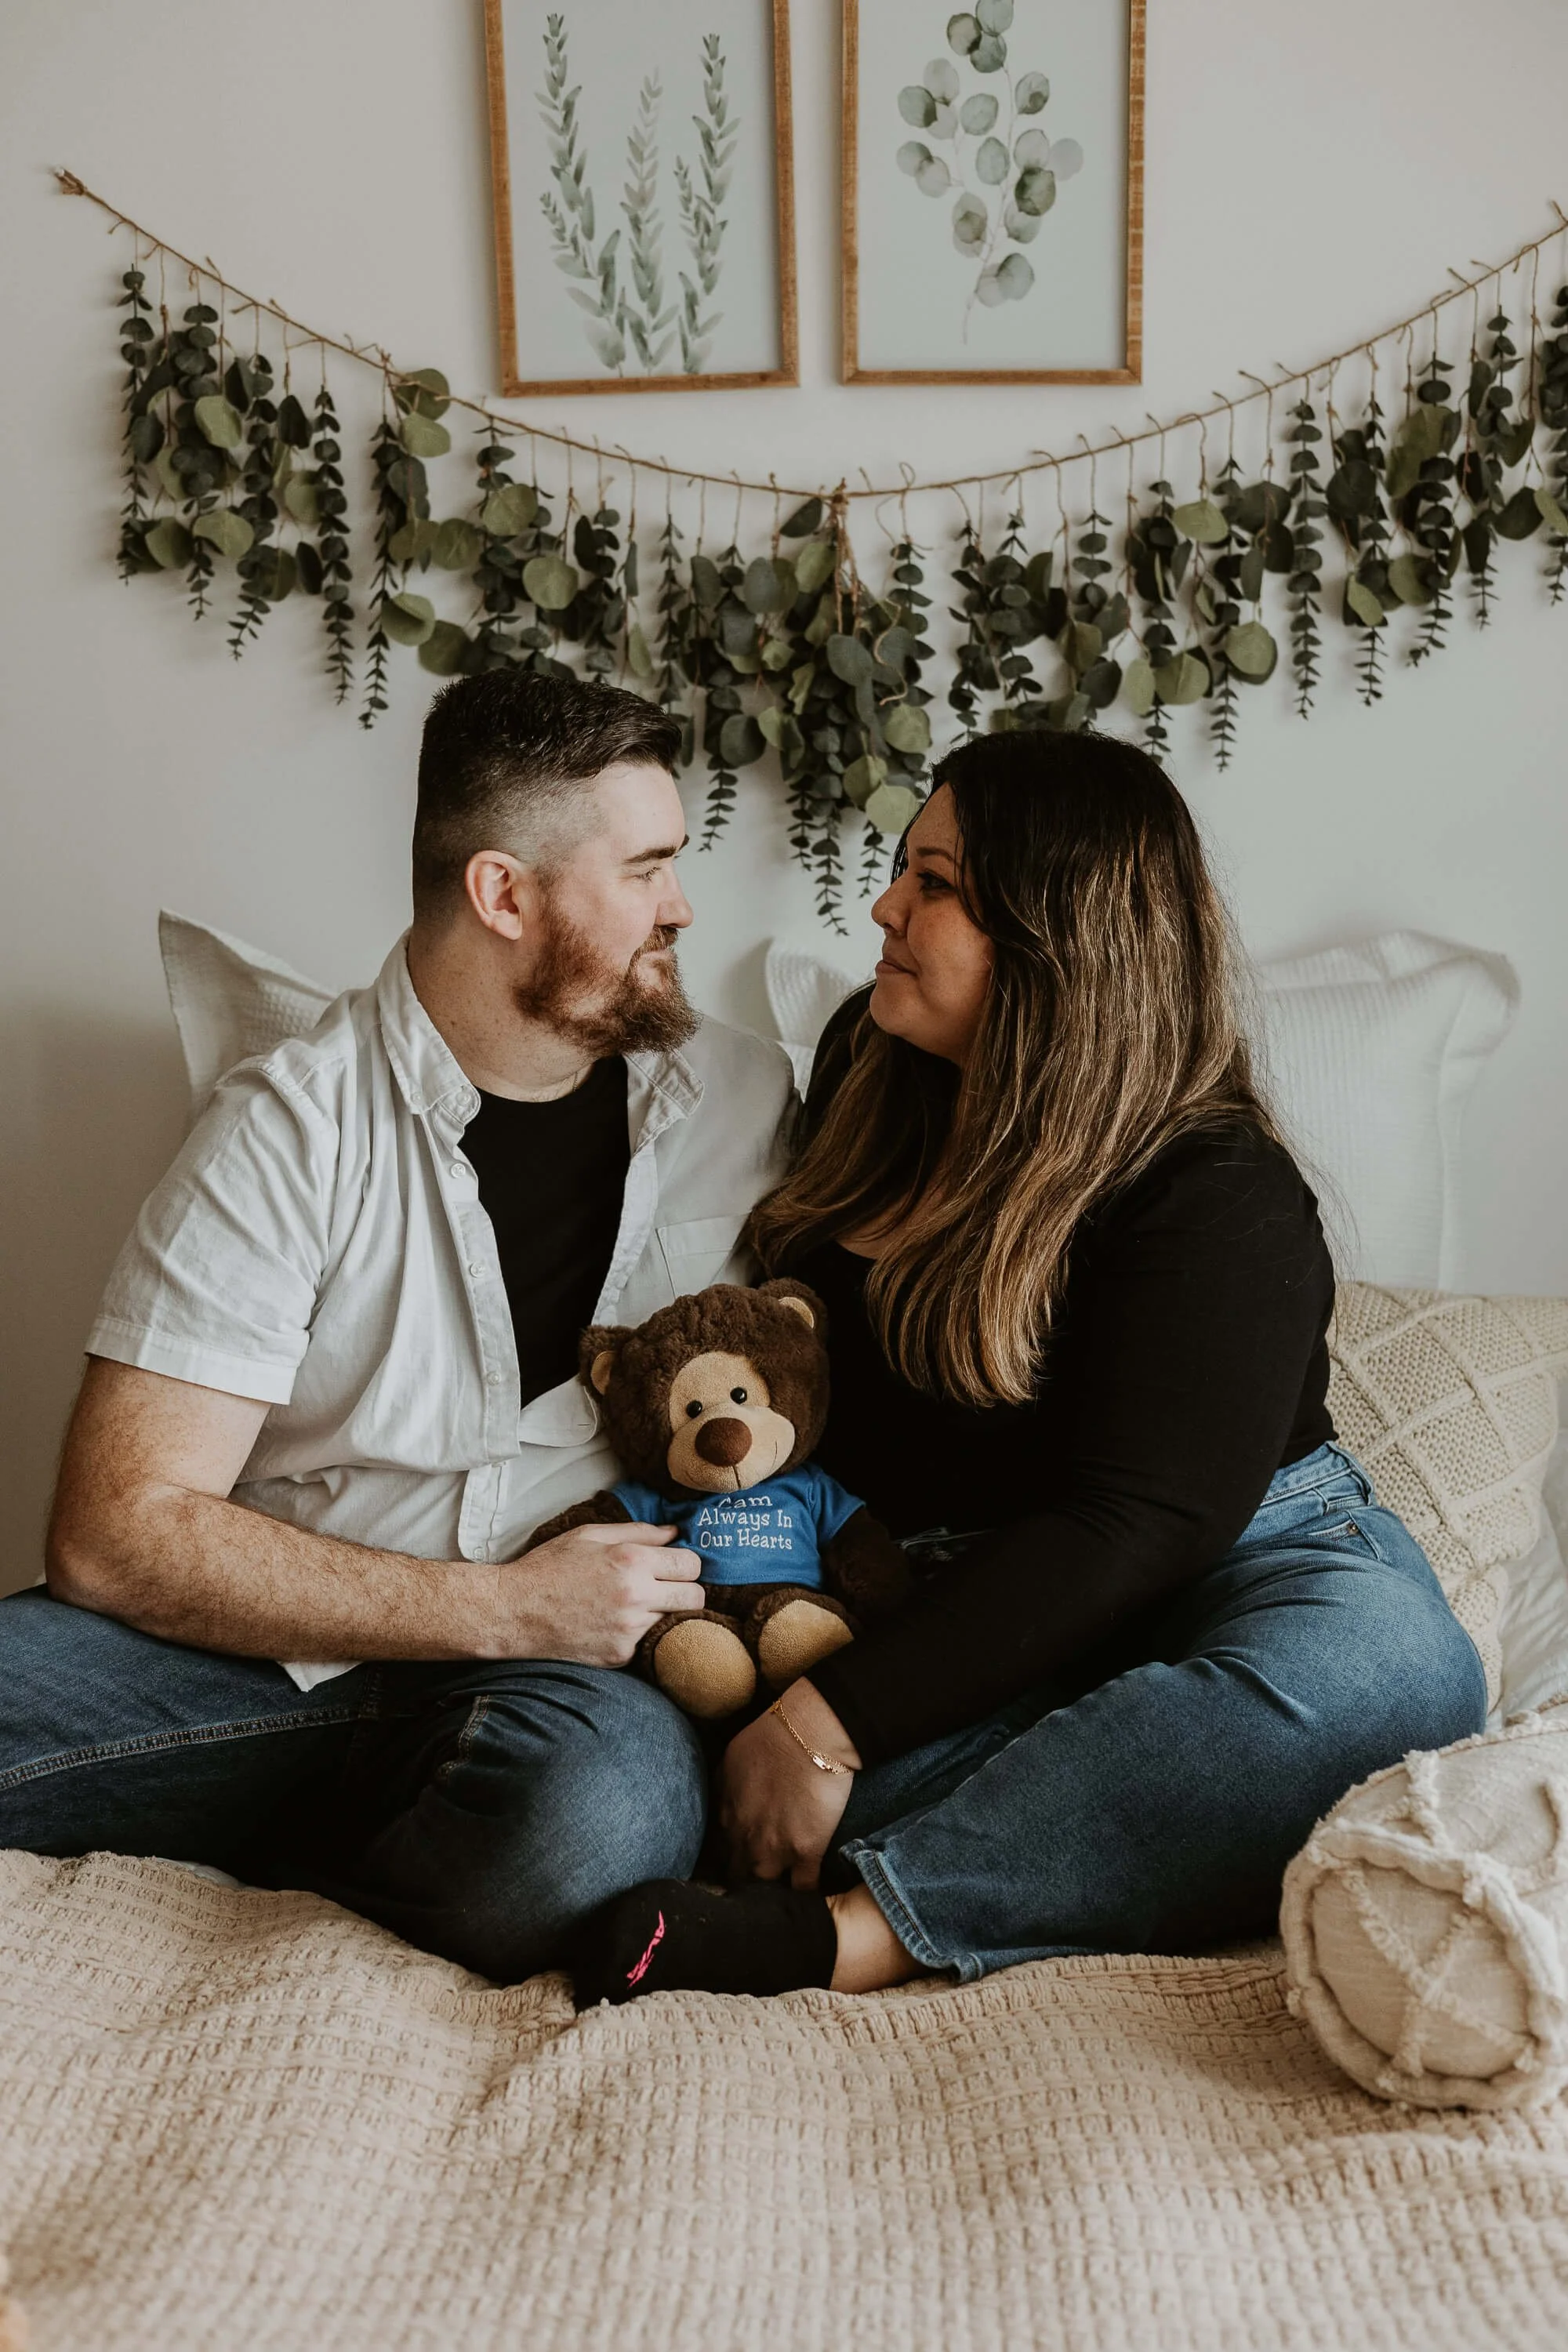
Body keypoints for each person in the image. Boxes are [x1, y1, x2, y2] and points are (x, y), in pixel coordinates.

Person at [568, 729, 1489, 2008]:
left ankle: (845, 1940)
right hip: (950, 1595)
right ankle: (1090, 1825)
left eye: (934, 884)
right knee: (699, 1772)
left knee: (1396, 1683)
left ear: (1060, 935)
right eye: (904, 870)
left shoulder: (1219, 1190)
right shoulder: (869, 1070)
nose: (883, 906)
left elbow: (1143, 1521)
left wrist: (826, 1723)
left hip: (1239, 1567)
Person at [0, 671, 796, 1981]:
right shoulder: (288, 1128)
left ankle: (276, 1838)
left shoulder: (743, 1100)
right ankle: (320, 1827)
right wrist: (498, 1609)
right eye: (647, 868)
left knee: (588, 1832)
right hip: (266, 1655)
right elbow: (116, 1528)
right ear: (504, 895)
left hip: (570, 1689)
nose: (681, 904)